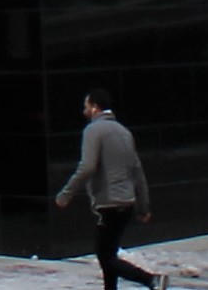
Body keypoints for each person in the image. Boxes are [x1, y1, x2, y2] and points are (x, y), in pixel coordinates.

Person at [55, 89, 166, 290]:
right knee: (109, 255)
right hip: (127, 203)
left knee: (105, 256)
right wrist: (143, 207)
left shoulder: (93, 130)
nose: (84, 111)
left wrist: (66, 193)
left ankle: (151, 280)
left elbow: (87, 166)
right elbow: (137, 172)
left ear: (95, 107)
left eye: (86, 106)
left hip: (109, 203)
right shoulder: (124, 132)